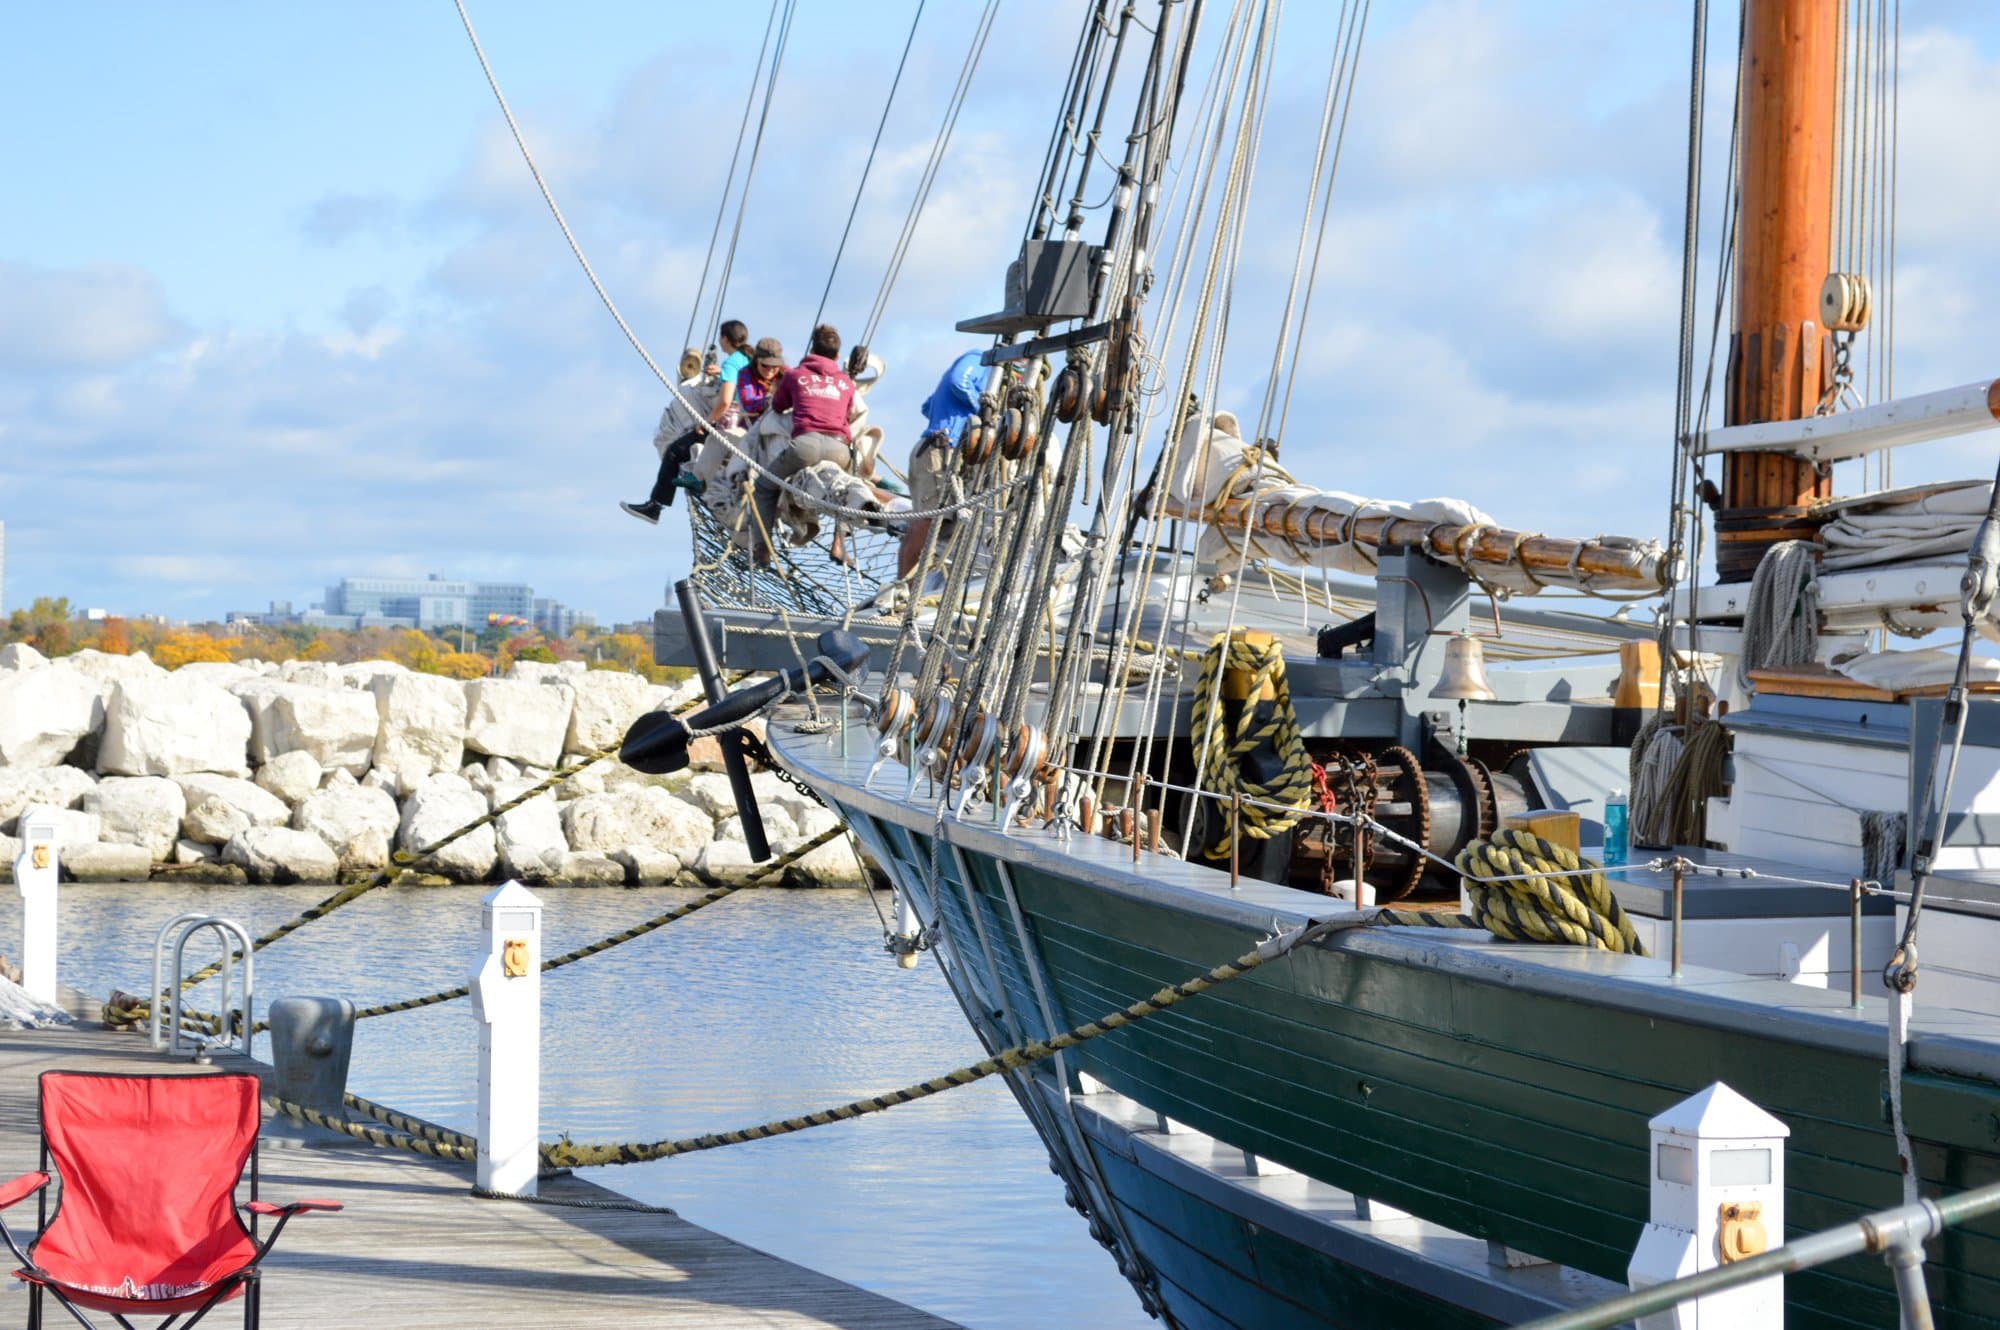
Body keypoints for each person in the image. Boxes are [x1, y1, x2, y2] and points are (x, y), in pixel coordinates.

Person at [752, 323, 857, 563]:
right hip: (840, 450)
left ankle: (763, 550)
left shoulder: (794, 375)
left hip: (804, 447)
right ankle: (839, 545)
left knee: (764, 487)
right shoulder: (847, 382)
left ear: (812, 349)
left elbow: (778, 406)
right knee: (849, 492)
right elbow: (848, 415)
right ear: (838, 356)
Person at [898, 349, 988, 577]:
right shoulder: (979, 360)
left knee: (935, 526)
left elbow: (927, 406)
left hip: (938, 449)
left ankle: (906, 588)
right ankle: (902, 590)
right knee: (928, 523)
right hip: (940, 451)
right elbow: (959, 382)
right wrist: (981, 412)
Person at [708, 318, 752, 428]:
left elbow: (725, 402)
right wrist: (722, 372)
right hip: (750, 418)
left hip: (733, 419)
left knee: (678, 446)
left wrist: (707, 422)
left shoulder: (730, 363)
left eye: (720, 336)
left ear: (725, 339)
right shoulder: (749, 358)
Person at [736, 338, 786, 424]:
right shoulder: (746, 373)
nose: (770, 370)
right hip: (753, 425)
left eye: (775, 366)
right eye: (765, 365)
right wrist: (770, 401)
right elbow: (749, 404)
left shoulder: (787, 374)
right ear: (756, 361)